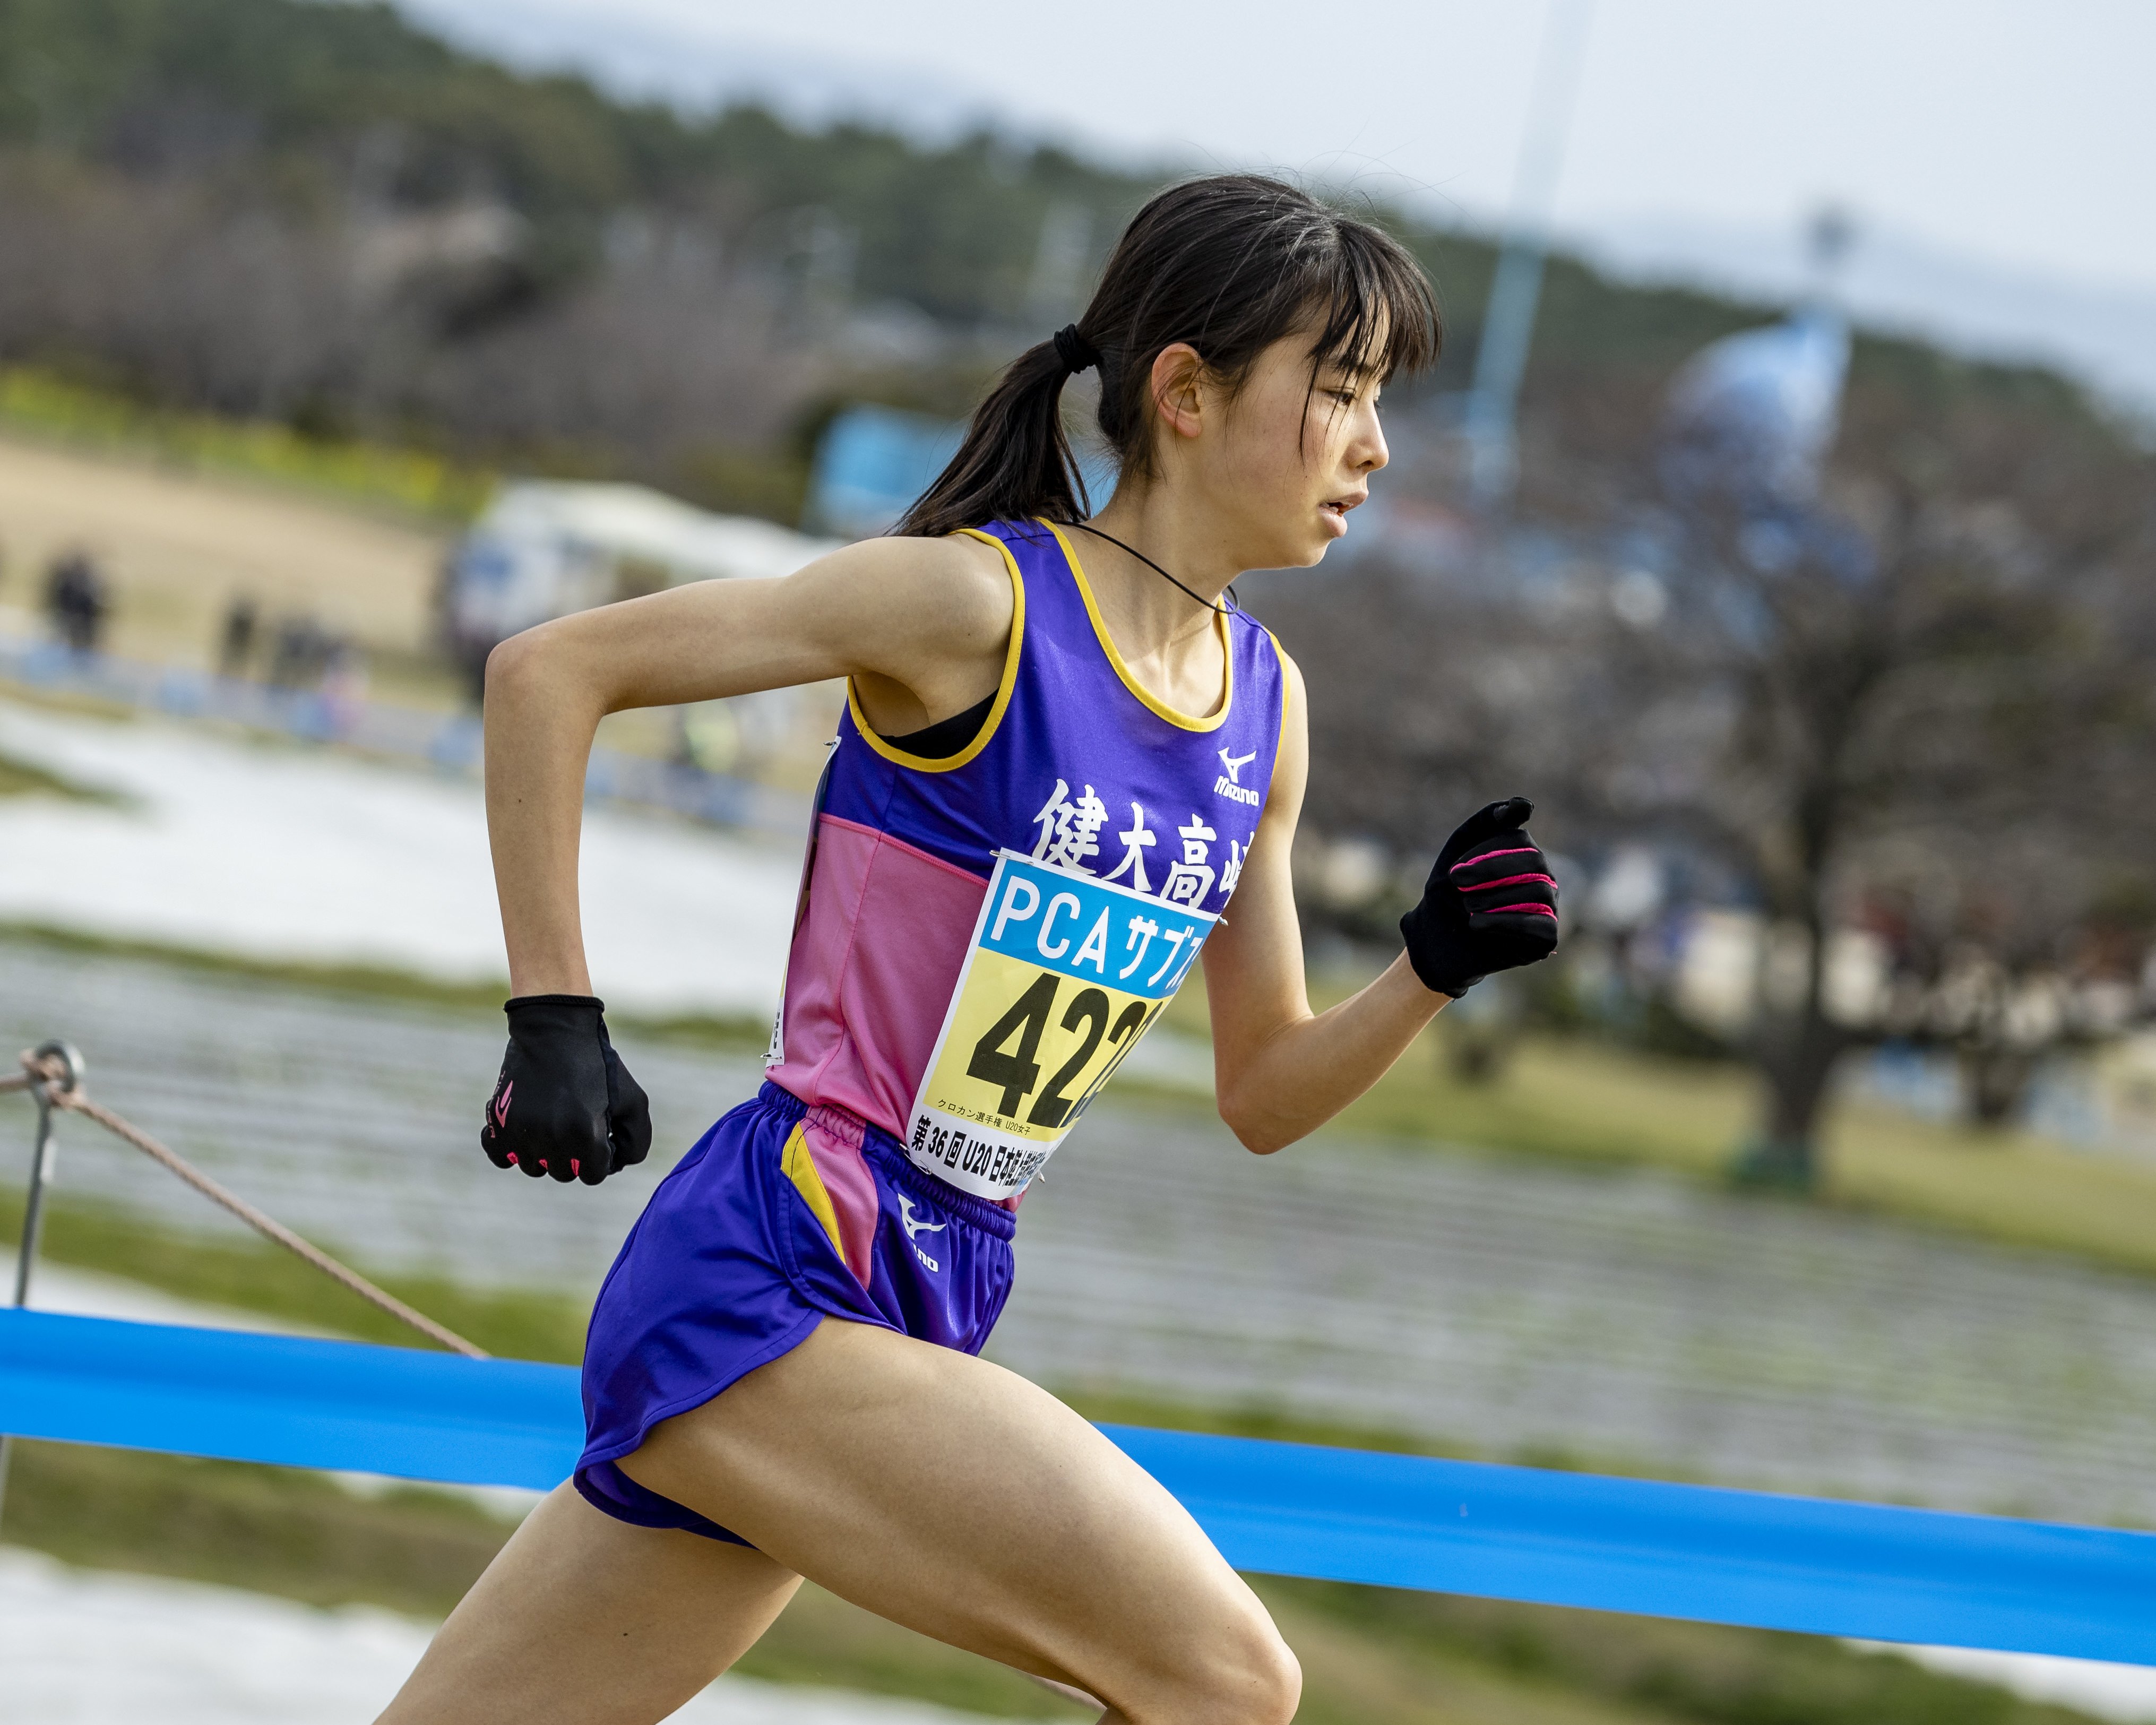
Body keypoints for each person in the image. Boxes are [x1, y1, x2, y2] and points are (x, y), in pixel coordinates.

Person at [379, 175, 1559, 1725]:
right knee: (1225, 1679)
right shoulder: (972, 603)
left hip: (931, 1290)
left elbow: (1263, 1089)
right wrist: (554, 1014)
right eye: (1337, 394)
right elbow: (548, 671)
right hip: (775, 1272)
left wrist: (1427, 965)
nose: (1374, 447)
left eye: (1378, 401)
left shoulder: (1264, 713)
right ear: (1186, 394)